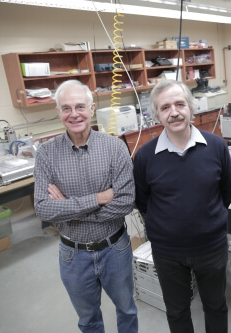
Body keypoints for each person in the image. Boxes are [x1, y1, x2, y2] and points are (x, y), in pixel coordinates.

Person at [33, 79, 138, 333]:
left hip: (115, 248)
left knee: (126, 309)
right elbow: (43, 209)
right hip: (73, 254)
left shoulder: (114, 147)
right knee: (88, 320)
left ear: (91, 109)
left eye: (80, 106)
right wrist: (99, 198)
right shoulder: (46, 153)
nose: (74, 114)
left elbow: (125, 202)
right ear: (58, 112)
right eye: (66, 108)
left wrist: (69, 211)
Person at [133, 80, 231, 333]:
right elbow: (143, 200)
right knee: (177, 311)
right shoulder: (145, 156)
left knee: (216, 306)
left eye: (180, 104)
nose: (174, 112)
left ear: (190, 107)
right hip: (168, 252)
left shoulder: (217, 147)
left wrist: (206, 222)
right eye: (165, 107)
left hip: (211, 247)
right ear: (157, 115)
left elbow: (227, 192)